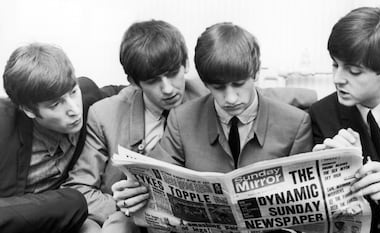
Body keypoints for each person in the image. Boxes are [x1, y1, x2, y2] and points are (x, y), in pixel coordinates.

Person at [114, 22, 313, 233]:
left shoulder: (296, 123)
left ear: (255, 73)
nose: (230, 98)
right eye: (218, 87)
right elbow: (153, 185)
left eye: (238, 84)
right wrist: (131, 195)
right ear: (205, 84)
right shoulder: (182, 119)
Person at [63, 20, 209, 233]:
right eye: (153, 81)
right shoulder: (104, 114)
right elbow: (79, 190)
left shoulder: (210, 97)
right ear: (134, 81)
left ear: (185, 64)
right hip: (129, 220)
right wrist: (125, 205)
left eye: (172, 73)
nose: (167, 89)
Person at [309, 6, 380, 233]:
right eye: (335, 65)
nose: (337, 79)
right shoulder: (321, 114)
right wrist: (324, 176)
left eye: (354, 71)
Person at [0, 43, 102, 233]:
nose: (74, 109)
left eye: (73, 92)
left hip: (57, 221)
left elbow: (130, 92)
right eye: (56, 104)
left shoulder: (89, 96)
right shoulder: (4, 126)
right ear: (29, 110)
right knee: (73, 202)